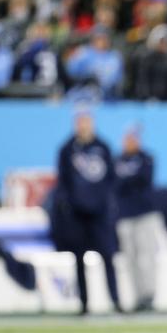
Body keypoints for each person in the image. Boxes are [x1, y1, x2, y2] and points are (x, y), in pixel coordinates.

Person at [49, 111, 121, 314]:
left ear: (92, 124)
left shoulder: (103, 147)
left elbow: (111, 180)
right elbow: (62, 181)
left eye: (86, 122)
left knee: (108, 257)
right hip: (77, 214)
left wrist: (106, 204)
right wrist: (68, 205)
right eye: (80, 122)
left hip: (99, 214)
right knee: (78, 259)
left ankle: (116, 301)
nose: (83, 126)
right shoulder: (67, 149)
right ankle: (84, 303)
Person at [114, 125, 167, 312]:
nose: (130, 142)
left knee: (147, 257)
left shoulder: (146, 158)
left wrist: (126, 179)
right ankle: (137, 296)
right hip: (125, 216)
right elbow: (116, 184)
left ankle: (149, 295)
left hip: (146, 214)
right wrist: (129, 179)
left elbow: (143, 178)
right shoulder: (117, 160)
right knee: (130, 259)